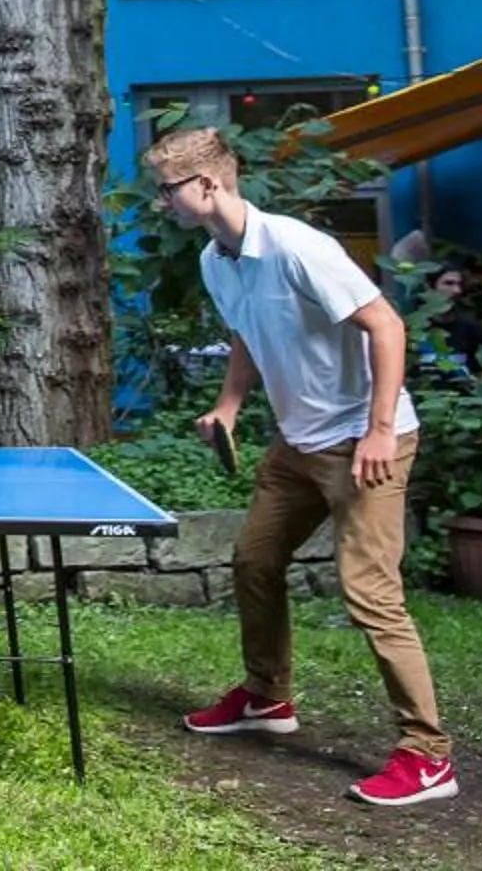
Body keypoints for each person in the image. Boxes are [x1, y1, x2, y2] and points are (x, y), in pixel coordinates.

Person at [151, 127, 457, 810]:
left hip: (362, 439)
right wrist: (228, 405)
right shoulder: (217, 259)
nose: (160, 202)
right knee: (254, 561)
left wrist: (379, 431)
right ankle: (266, 697)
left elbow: (387, 326)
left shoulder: (297, 247)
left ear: (210, 185)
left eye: (167, 189)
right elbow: (247, 333)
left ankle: (428, 755)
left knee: (370, 595)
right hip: (298, 444)